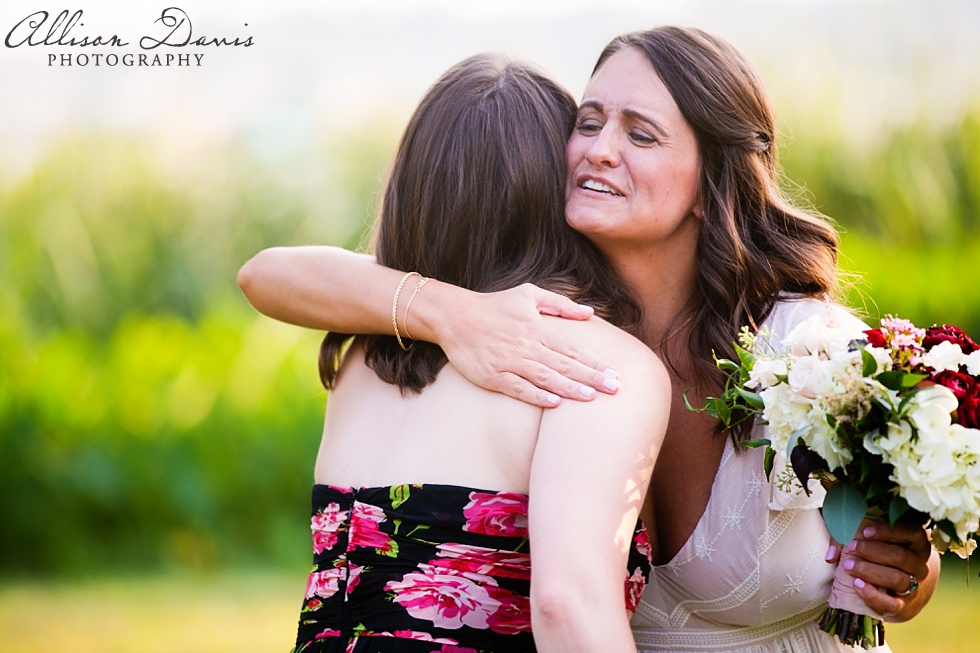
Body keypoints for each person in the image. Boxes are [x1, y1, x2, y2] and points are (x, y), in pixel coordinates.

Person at [239, 28, 940, 653]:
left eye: (641, 135)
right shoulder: (530, 332)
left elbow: (906, 552)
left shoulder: (810, 351)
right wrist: (454, 313)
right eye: (589, 121)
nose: (599, 151)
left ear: (710, 183)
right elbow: (267, 274)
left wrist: (910, 573)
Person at [242, 54, 671, 653]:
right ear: (555, 189)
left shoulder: (367, 350)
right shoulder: (592, 366)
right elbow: (568, 606)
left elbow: (265, 272)